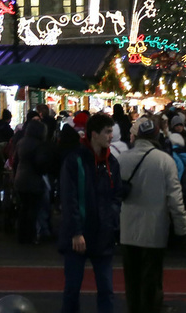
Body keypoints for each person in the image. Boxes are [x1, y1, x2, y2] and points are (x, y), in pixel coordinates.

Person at [119, 115, 186, 313]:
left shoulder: (122, 159)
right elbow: (175, 198)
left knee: (131, 280)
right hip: (154, 230)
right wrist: (181, 229)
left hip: (128, 229)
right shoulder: (165, 161)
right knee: (151, 280)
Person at [59, 113, 123, 313]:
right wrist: (76, 232)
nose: (110, 136)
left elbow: (116, 195)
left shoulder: (111, 162)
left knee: (106, 289)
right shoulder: (75, 160)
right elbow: (69, 199)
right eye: (107, 132)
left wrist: (111, 219)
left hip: (102, 233)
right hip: (80, 234)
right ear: (94, 134)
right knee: (72, 289)